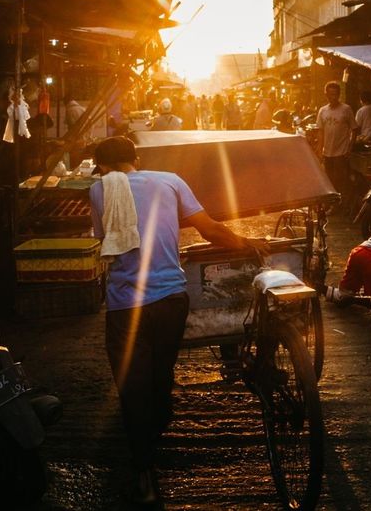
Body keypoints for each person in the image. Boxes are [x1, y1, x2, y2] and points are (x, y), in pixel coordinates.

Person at [89, 136, 269, 506]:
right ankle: (156, 429)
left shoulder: (98, 190)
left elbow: (103, 240)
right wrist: (245, 242)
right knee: (160, 376)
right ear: (135, 158)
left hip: (126, 307)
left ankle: (144, 471)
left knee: (133, 388)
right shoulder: (170, 180)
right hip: (172, 301)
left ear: (102, 167)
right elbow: (209, 229)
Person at [316, 81, 357, 207]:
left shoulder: (346, 109)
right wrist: (319, 149)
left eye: (335, 94)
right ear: (326, 95)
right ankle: (332, 205)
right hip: (327, 152)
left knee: (342, 181)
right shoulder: (322, 111)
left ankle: (342, 205)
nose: (333, 97)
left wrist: (349, 148)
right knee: (329, 181)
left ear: (339, 95)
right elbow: (320, 132)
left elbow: (354, 129)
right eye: (330, 95)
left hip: (342, 152)